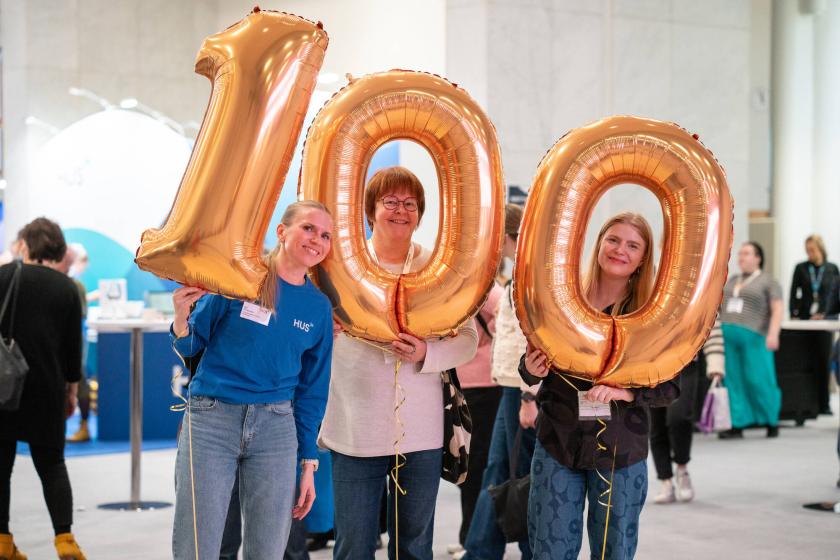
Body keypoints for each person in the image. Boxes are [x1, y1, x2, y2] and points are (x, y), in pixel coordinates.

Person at [319, 166, 478, 560]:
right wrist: (327, 329)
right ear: (371, 211)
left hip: (421, 433)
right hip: (355, 427)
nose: (400, 210)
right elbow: (304, 329)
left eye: (410, 204)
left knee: (413, 546)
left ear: (420, 214)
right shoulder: (340, 267)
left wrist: (428, 353)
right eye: (390, 201)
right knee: (353, 546)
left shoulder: (439, 270)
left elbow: (469, 339)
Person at [170, 200, 335, 559]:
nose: (317, 240)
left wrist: (308, 462)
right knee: (196, 546)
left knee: (268, 551)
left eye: (325, 235)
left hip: (276, 428)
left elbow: (312, 391)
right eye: (308, 228)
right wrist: (182, 318)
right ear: (282, 231)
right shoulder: (240, 279)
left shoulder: (318, 307)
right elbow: (193, 344)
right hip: (212, 420)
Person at [520, 212, 680, 559]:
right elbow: (531, 364)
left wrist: (627, 392)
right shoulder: (563, 299)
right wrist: (531, 369)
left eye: (632, 245)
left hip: (620, 448)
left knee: (614, 552)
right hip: (558, 442)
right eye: (613, 240)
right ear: (599, 244)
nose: (620, 250)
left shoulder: (650, 316)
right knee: (549, 550)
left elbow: (670, 385)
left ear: (641, 259)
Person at [0, 218, 86, 560]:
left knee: (0, 466)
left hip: (4, 388)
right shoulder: (66, 288)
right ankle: (64, 540)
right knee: (52, 464)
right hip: (47, 389)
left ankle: (3, 542)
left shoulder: (3, 277)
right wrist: (71, 393)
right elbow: (72, 351)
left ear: (26, 244)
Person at [456, 203, 535, 560]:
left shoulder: (529, 272)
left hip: (520, 388)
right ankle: (481, 550)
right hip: (510, 384)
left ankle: (524, 548)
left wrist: (529, 395)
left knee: (519, 471)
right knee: (500, 470)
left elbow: (531, 336)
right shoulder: (522, 271)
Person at [449, 275, 503, 553]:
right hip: (466, 384)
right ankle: (467, 536)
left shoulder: (485, 288)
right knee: (465, 464)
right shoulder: (468, 284)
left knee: (475, 465)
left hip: (483, 386)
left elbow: (507, 314)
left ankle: (472, 539)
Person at [650, 321, 724, 504]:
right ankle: (665, 480)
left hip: (686, 362)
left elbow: (711, 319)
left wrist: (716, 363)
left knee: (679, 418)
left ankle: (682, 468)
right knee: (656, 424)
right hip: (651, 363)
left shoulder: (696, 290)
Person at [718, 241, 783, 439]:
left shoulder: (768, 281)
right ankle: (738, 423)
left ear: (758, 258)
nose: (741, 258)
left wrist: (773, 334)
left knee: (760, 379)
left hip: (755, 337)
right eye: (740, 254)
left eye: (746, 253)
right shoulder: (732, 279)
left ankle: (771, 421)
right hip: (728, 336)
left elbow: (777, 308)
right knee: (733, 381)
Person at [789, 234, 838, 415]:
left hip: (825, 322)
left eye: (812, 249)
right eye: (807, 250)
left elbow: (835, 296)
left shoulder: (832, 269)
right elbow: (794, 293)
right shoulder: (801, 268)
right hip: (805, 320)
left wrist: (826, 313)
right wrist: (793, 313)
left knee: (823, 362)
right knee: (805, 362)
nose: (809, 253)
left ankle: (824, 404)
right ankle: (809, 405)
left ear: (820, 248)